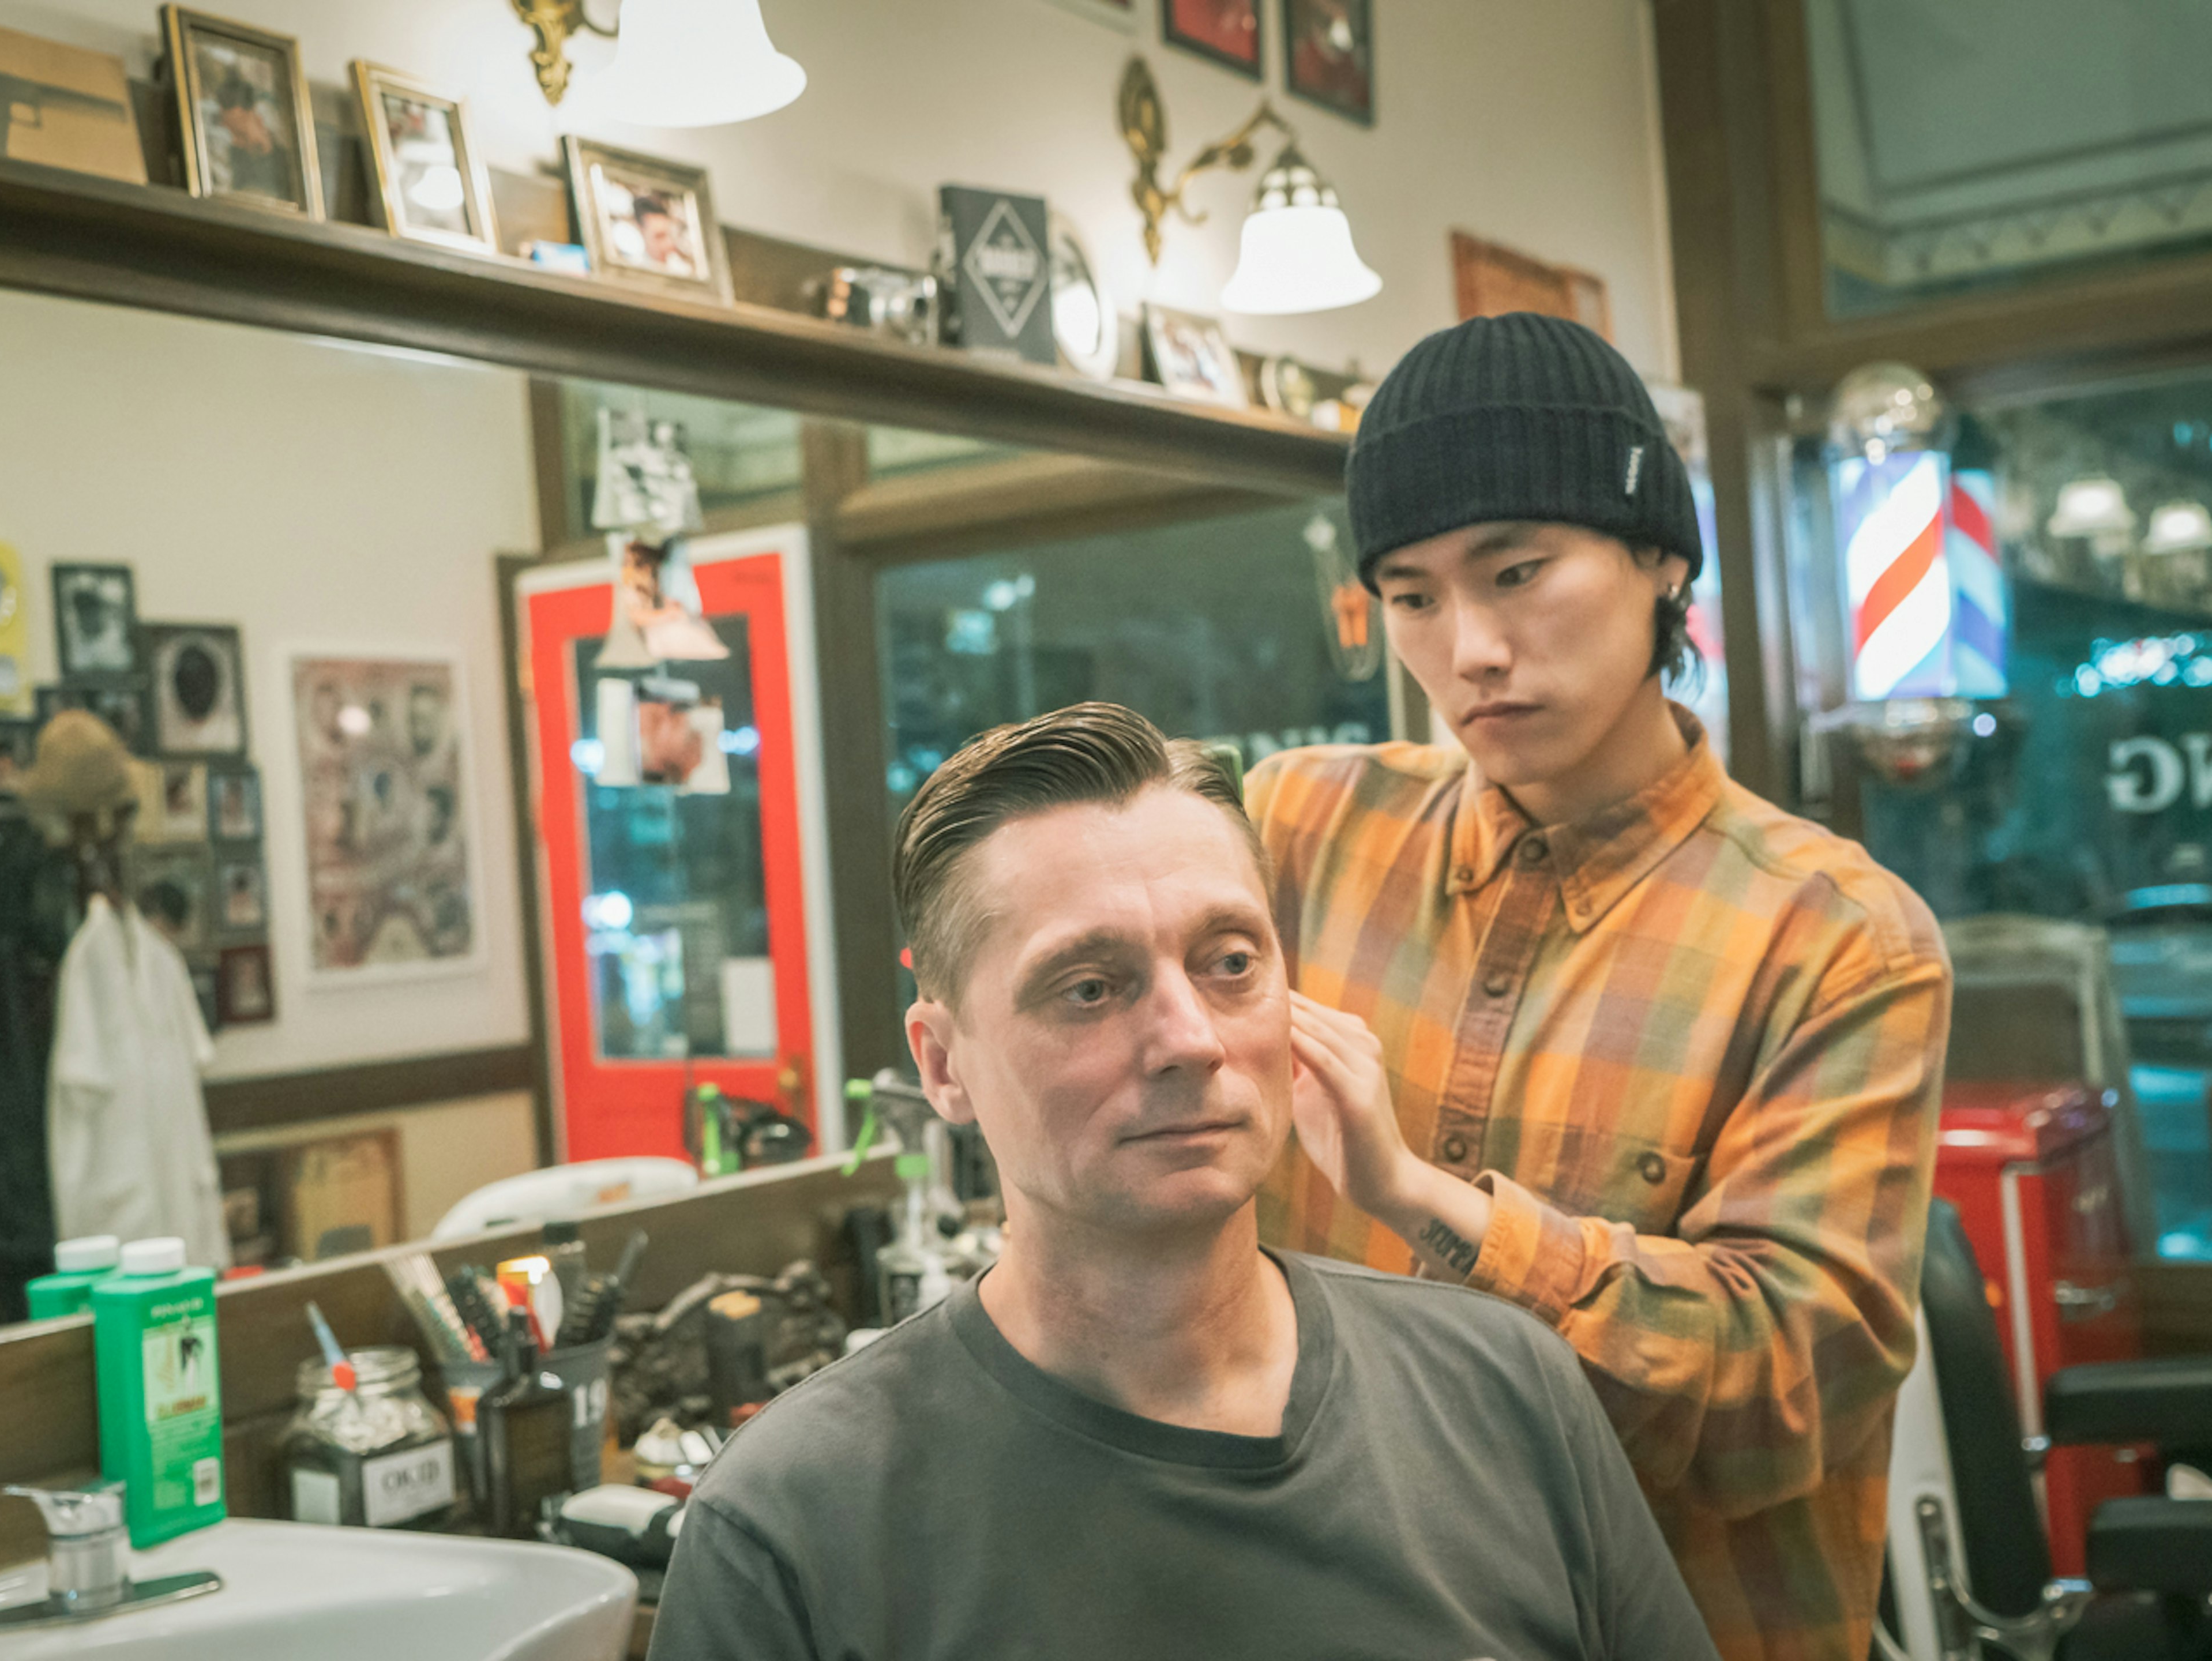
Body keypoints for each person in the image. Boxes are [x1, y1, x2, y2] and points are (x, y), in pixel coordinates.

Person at [649, 703, 1719, 1661]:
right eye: (1089, 987)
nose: (1190, 1040)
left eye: (1231, 962)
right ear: (942, 1064)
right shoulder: (796, 1523)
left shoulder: (1508, 1396)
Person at [1249, 313, 1950, 1661]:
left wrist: (1425, 1204)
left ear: (1658, 560)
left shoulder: (1837, 935)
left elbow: (1783, 1395)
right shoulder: (1297, 833)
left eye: (1517, 572)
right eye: (1413, 596)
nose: (1471, 650)